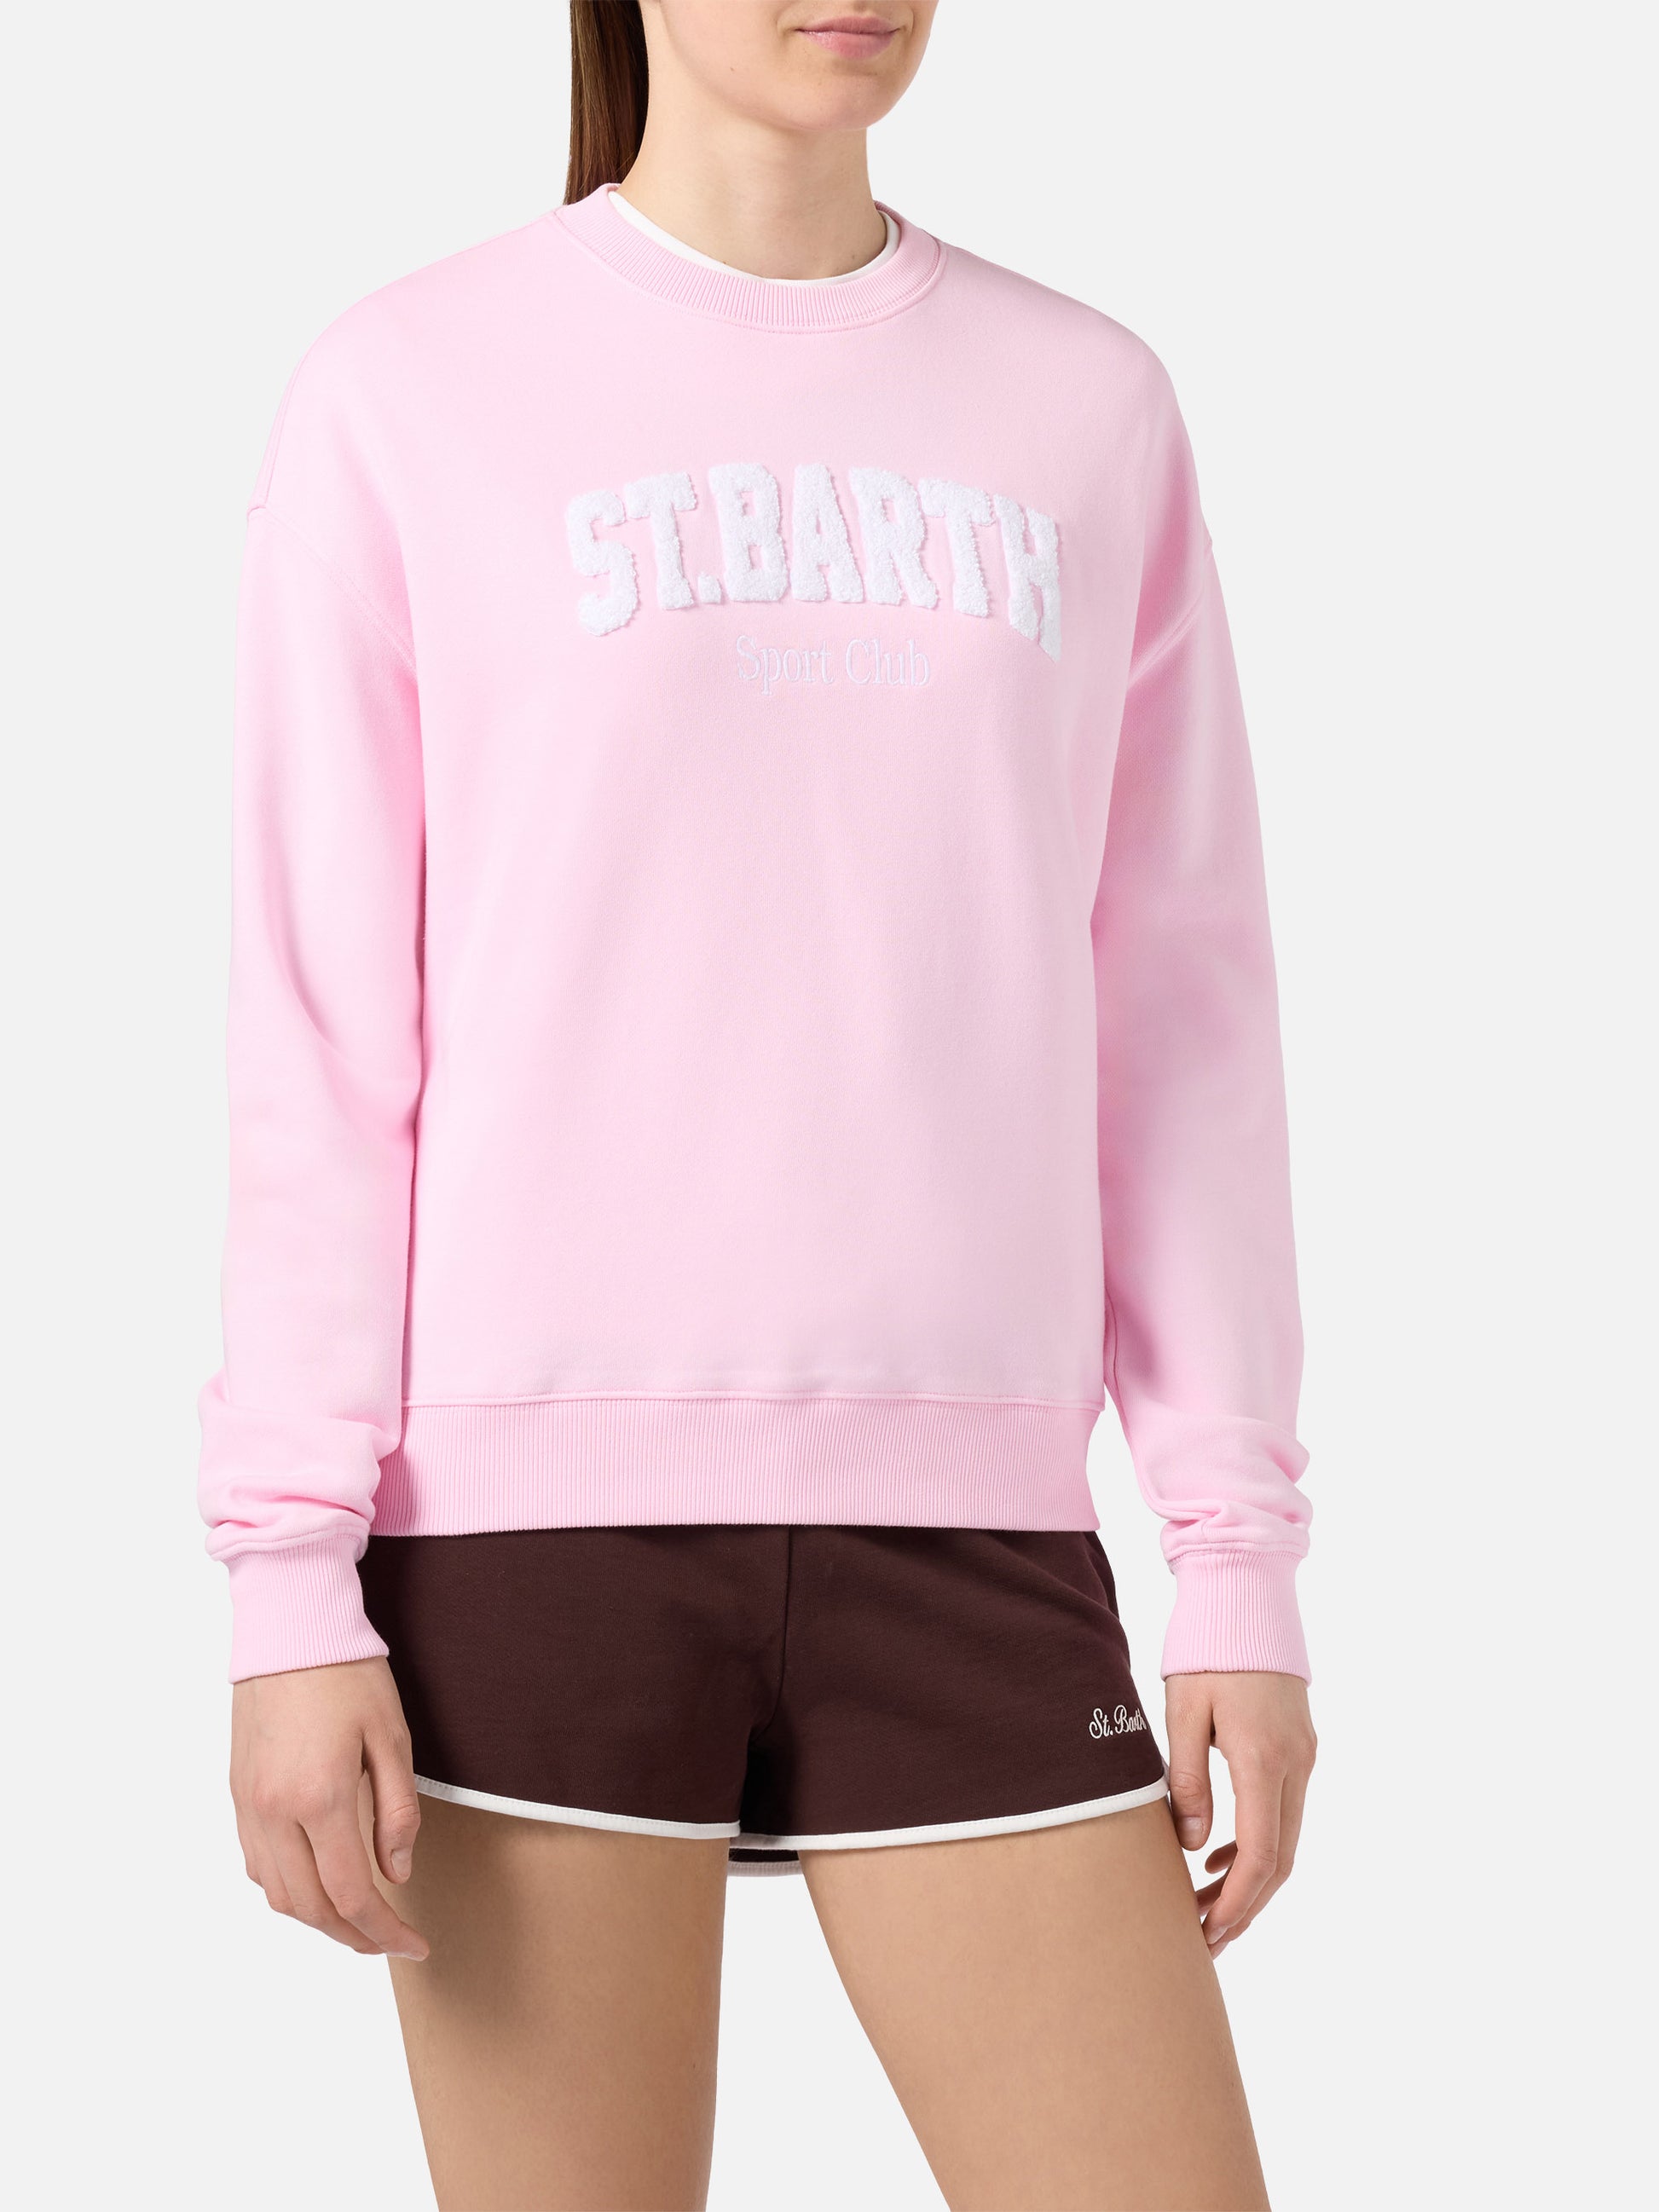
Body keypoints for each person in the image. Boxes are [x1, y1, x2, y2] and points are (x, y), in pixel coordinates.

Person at [199, 4, 1316, 2205]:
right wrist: (285, 1579)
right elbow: (322, 1032)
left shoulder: (1086, 405)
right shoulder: (409, 386)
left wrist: (1236, 1563)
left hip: (976, 1524)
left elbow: (1180, 1019)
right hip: (524, 1534)